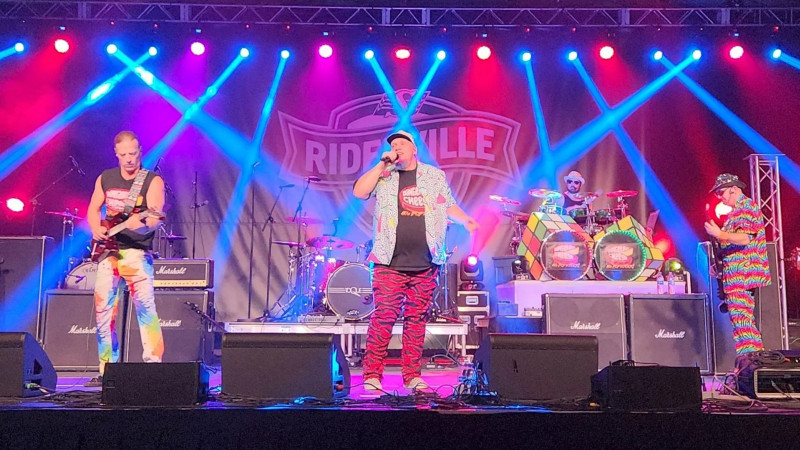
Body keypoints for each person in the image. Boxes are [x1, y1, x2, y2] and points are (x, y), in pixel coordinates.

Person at [353, 130, 478, 391]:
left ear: (414, 149)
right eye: (393, 144)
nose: (396, 147)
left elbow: (447, 205)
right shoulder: (384, 175)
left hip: (426, 261)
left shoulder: (434, 176)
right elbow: (359, 192)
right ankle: (372, 375)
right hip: (389, 261)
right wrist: (381, 165)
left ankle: (412, 376)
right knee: (384, 317)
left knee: (416, 319)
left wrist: (465, 219)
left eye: (402, 143)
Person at [84, 131, 165, 387]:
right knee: (104, 311)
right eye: (123, 154)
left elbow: (154, 220)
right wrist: (96, 228)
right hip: (108, 251)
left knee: (146, 310)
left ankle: (153, 367)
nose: (129, 159)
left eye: (133, 153)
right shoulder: (106, 177)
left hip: (137, 253)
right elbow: (93, 208)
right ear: (116, 154)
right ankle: (107, 369)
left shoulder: (152, 181)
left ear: (140, 151)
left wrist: (138, 226)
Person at [704, 173, 771, 356]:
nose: (720, 197)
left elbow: (745, 238)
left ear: (734, 189)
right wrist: (720, 267)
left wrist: (720, 234)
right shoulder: (734, 212)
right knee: (740, 323)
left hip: (743, 274)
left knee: (743, 322)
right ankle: (748, 361)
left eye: (721, 192)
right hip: (734, 275)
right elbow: (733, 243)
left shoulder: (746, 207)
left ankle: (753, 361)